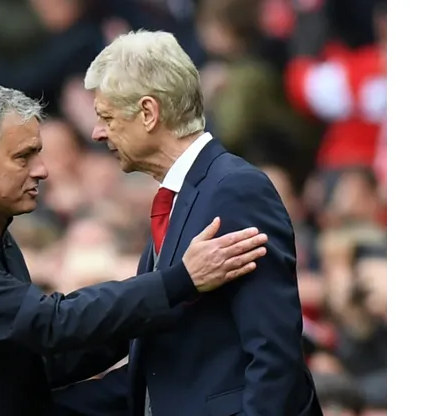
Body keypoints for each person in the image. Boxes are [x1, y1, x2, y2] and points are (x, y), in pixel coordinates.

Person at [0, 82, 269, 415]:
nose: (42, 170)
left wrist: (162, 334)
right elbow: (49, 324)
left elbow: (35, 364)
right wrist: (179, 282)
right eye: (23, 157)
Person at [53, 30, 322, 416]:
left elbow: (274, 353)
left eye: (107, 117)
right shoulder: (180, 197)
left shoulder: (235, 189)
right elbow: (165, 369)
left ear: (148, 113)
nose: (97, 132)